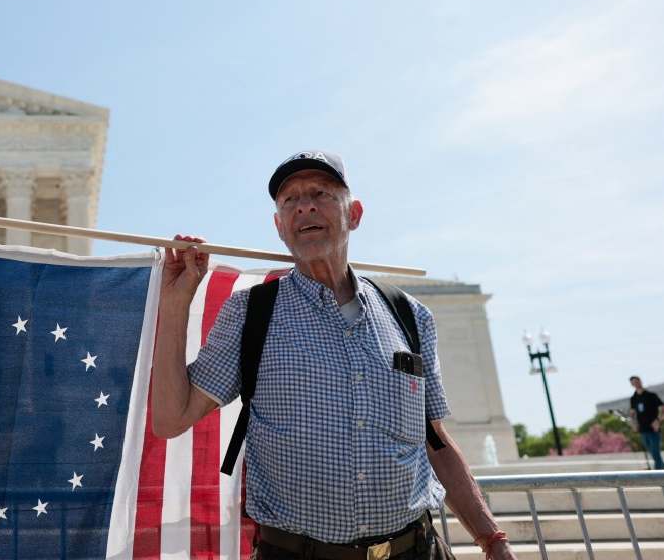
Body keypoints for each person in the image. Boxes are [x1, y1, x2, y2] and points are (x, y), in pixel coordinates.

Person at [151, 151, 516, 560]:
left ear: (354, 214)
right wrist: (175, 302)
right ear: (279, 226)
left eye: (321, 193)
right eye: (289, 200)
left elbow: (437, 445)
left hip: (415, 549)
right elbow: (171, 418)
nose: (304, 205)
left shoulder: (410, 316)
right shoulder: (251, 313)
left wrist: (492, 539)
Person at [629, 376, 664, 470]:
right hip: (643, 430)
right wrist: (634, 424)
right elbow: (632, 414)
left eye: (637, 381)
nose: (635, 384)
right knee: (653, 453)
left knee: (656, 452)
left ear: (640, 381)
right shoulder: (633, 398)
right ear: (632, 385)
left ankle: (659, 474)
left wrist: (658, 420)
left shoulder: (651, 395)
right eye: (633, 382)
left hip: (653, 429)